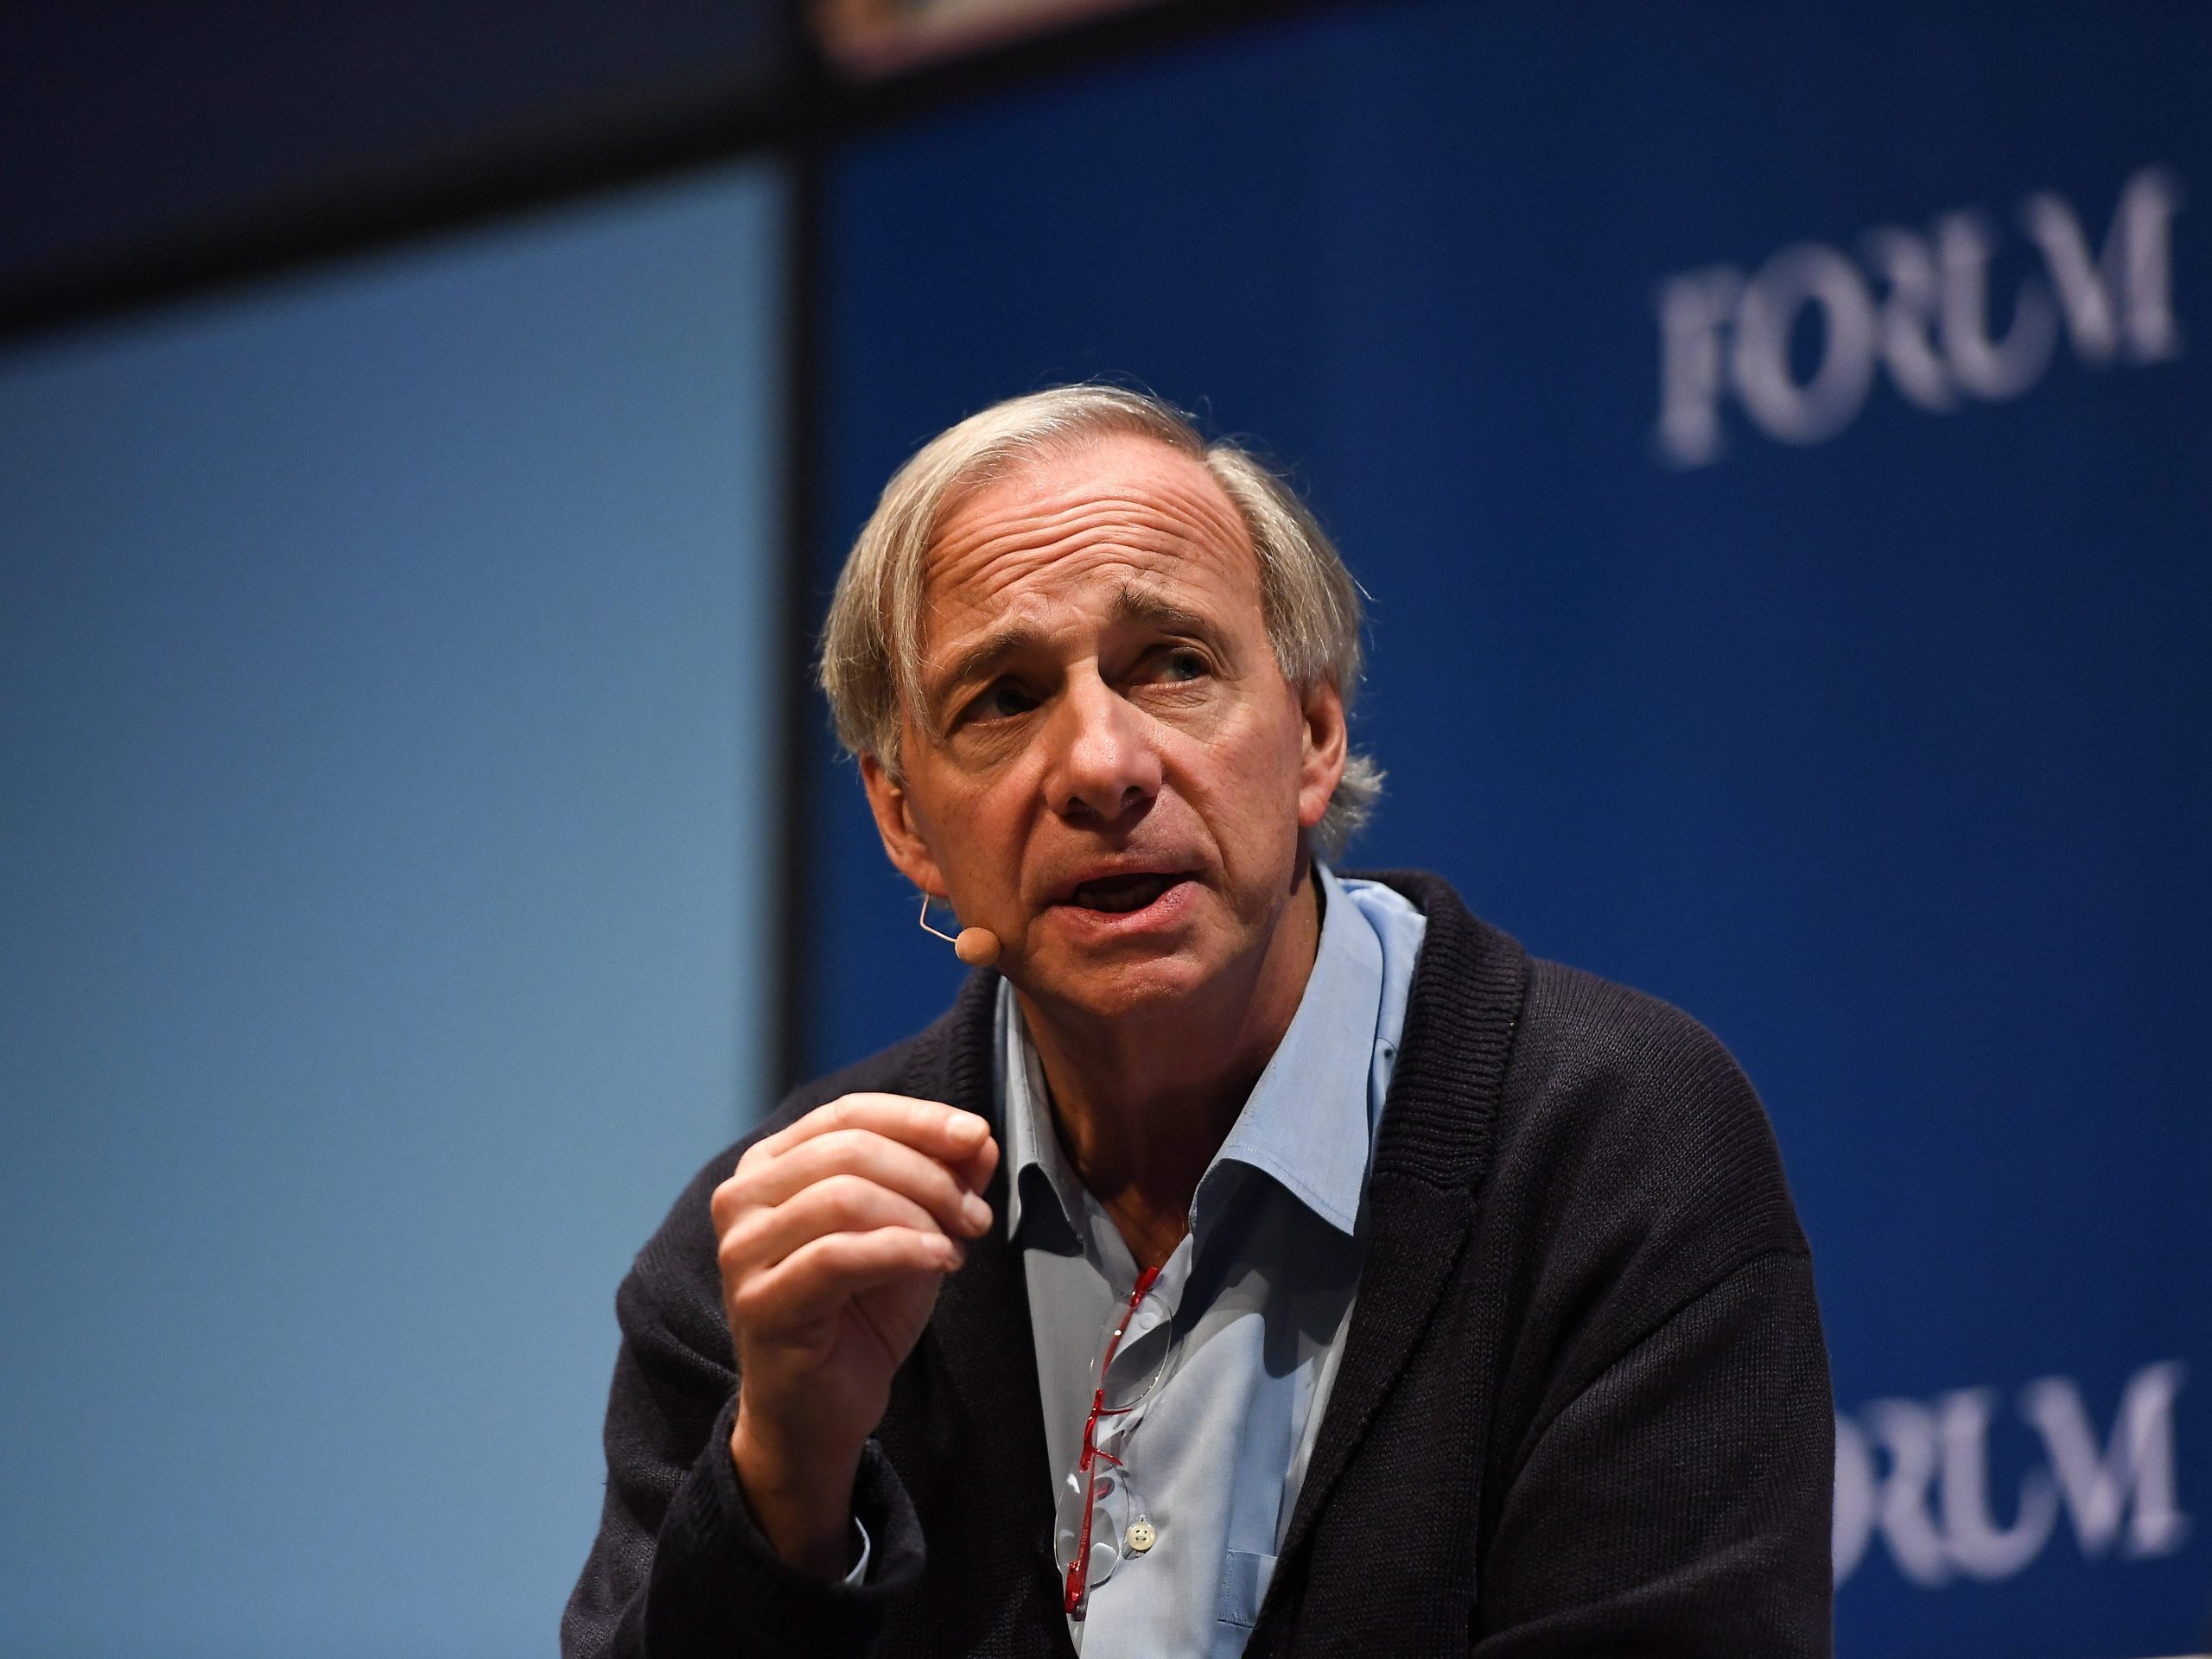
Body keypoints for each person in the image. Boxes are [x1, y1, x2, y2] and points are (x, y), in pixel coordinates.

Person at [563, 386, 1834, 1657]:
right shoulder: (775, 1270)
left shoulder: (1612, 1151)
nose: (1103, 766)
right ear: (905, 823)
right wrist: (785, 1486)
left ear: (1315, 737)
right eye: (1003, 698)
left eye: (1173, 664)